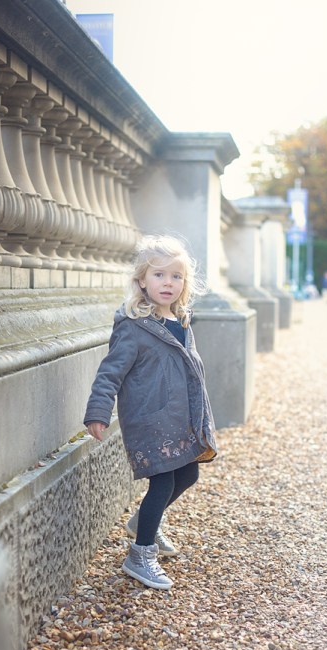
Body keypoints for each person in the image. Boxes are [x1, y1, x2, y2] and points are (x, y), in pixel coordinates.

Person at [84, 235, 217, 590]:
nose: (168, 283)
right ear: (142, 280)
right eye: (159, 275)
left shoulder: (181, 321)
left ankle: (144, 520)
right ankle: (140, 553)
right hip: (151, 418)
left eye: (176, 276)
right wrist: (98, 410)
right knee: (163, 479)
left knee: (188, 474)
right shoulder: (133, 326)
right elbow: (110, 372)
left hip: (180, 417)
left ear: (184, 283)